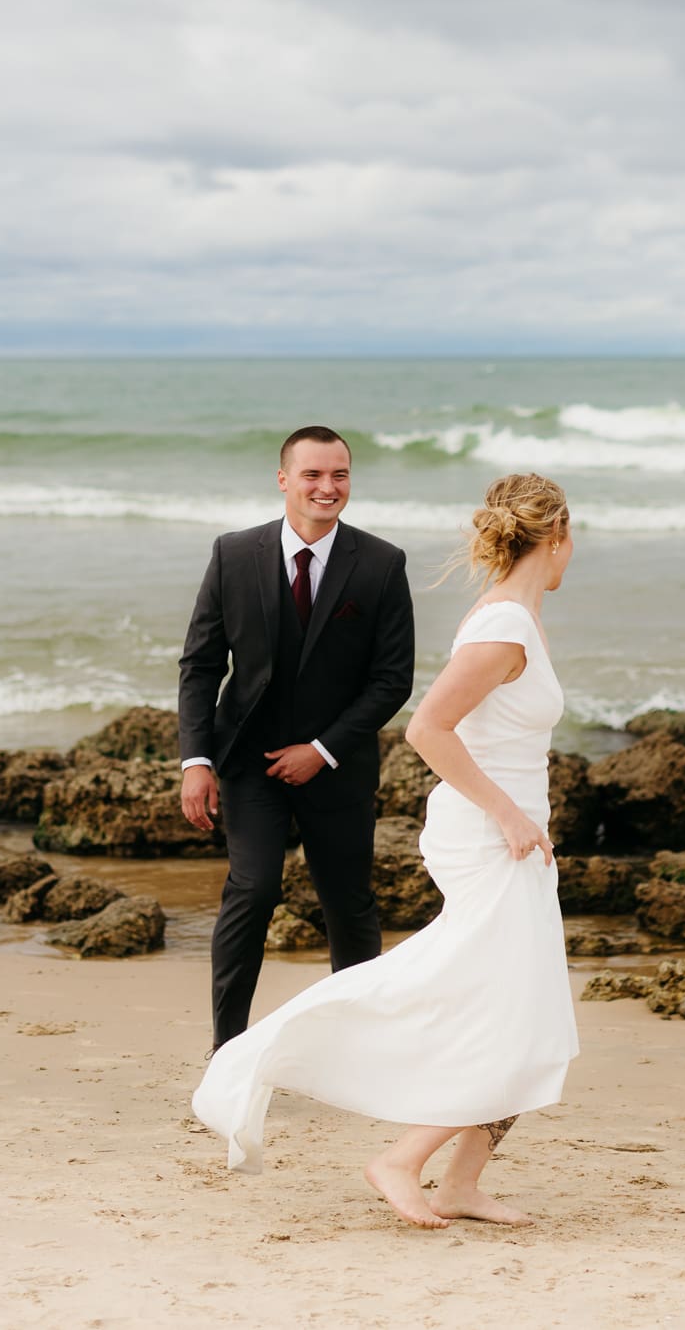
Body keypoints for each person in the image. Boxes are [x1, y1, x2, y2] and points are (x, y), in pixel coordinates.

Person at [192, 472, 579, 1229]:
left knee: (527, 1010)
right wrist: (507, 814)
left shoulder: (515, 620)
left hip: (514, 835)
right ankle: (399, 1158)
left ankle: (460, 1182)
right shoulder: (503, 626)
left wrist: (522, 816)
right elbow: (426, 728)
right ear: (559, 539)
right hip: (490, 837)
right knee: (512, 1010)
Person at [178, 425, 417, 1052]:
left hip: (337, 765)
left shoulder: (382, 563)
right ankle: (226, 1048)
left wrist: (323, 750)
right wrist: (196, 761)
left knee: (348, 903)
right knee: (252, 890)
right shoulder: (234, 554)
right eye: (313, 474)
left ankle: (358, 1049)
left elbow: (392, 680)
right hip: (246, 762)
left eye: (339, 474)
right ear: (284, 479)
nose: (327, 487)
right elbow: (202, 665)